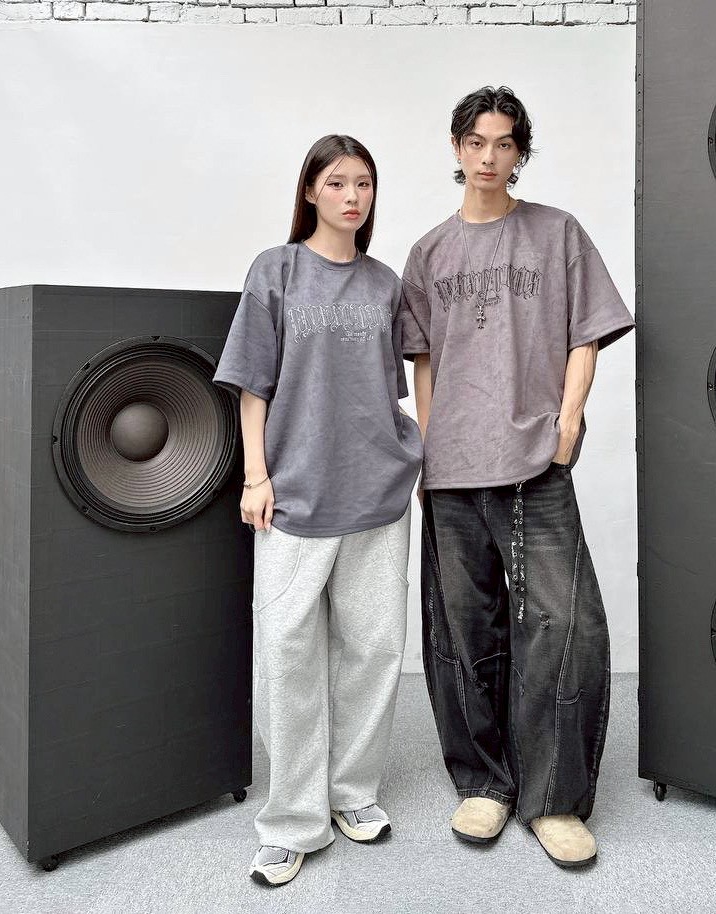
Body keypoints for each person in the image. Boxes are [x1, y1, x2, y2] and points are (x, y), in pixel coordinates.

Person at [399, 87, 634, 868]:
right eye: (476, 141)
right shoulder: (430, 252)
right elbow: (425, 362)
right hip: (454, 467)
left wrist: (567, 425)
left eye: (504, 143)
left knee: (562, 628)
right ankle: (485, 783)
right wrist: (426, 452)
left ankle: (553, 799)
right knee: (464, 629)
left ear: (520, 152)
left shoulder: (556, 232)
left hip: (535, 460)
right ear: (456, 147)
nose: (489, 156)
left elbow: (585, 336)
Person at [213, 134, 423, 887]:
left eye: (363, 182)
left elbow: (393, 384)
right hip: (295, 495)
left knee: (374, 650)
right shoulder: (275, 270)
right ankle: (293, 821)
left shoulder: (386, 283)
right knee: (288, 655)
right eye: (336, 182)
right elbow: (253, 384)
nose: (352, 196)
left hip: (377, 493)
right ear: (310, 191)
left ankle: (352, 794)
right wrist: (256, 476)